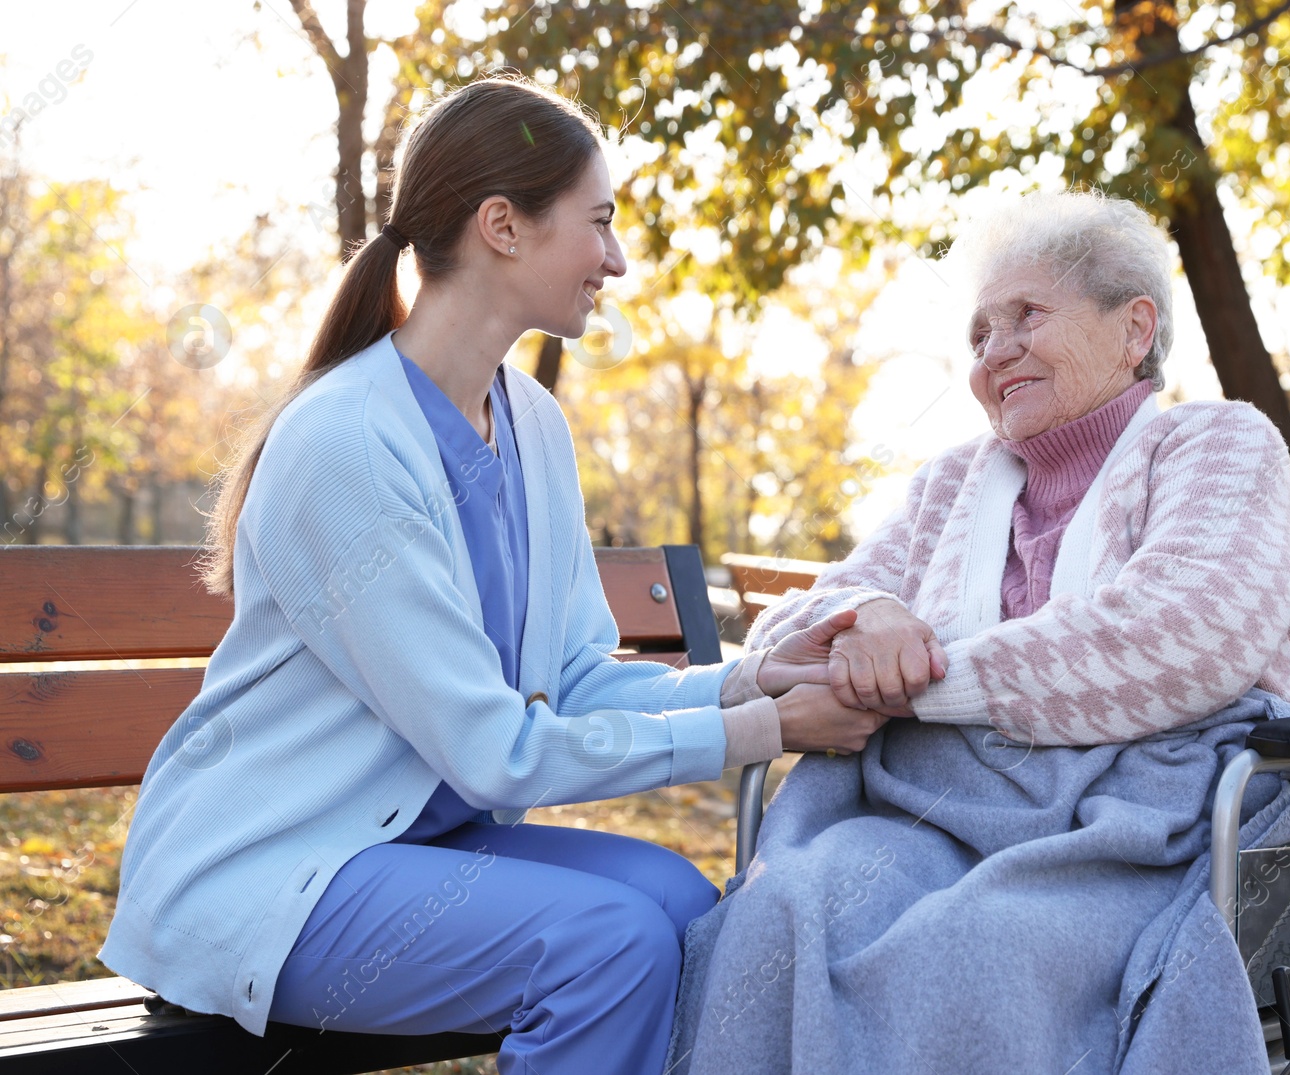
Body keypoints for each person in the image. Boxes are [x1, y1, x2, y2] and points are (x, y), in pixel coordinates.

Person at [97, 73, 890, 1075]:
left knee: (684, 907)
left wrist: (752, 678)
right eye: (597, 222)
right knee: (606, 944)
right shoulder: (346, 443)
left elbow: (575, 671)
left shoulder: (533, 425)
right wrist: (763, 733)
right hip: (270, 874)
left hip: (411, 852)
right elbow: (495, 753)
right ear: (502, 227)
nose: (618, 259)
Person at [666, 188, 1290, 1074]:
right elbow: (797, 620)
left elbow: (1189, 629)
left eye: (1027, 316)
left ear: (1134, 328)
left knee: (978, 947)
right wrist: (867, 615)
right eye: (980, 334)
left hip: (1146, 816)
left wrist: (918, 673)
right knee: (784, 905)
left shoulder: (1219, 446)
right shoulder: (953, 482)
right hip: (940, 809)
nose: (997, 352)